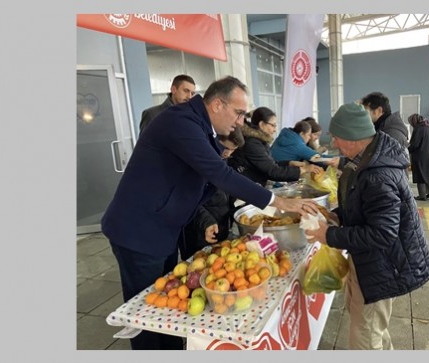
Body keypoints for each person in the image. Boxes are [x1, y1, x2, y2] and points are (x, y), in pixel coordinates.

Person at [101, 76, 317, 350]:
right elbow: (217, 173)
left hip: (164, 227)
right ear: (216, 104)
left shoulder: (202, 128)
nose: (241, 122)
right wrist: (277, 201)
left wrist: (203, 219)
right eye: (238, 113)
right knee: (147, 313)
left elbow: (202, 181)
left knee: (166, 304)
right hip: (139, 231)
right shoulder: (180, 122)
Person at [305, 102, 429, 350]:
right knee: (372, 327)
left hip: (383, 265)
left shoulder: (377, 174)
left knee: (365, 336)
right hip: (372, 262)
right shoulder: (365, 160)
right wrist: (335, 216)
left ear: (353, 139)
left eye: (336, 137)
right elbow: (362, 209)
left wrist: (329, 235)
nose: (334, 144)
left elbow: (382, 234)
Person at [178, 128, 245, 261]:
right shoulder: (196, 162)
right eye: (226, 148)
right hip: (198, 229)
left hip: (219, 225)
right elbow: (189, 200)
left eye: (233, 150)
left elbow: (226, 190)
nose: (228, 153)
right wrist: (207, 222)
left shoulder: (221, 158)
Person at [228, 106, 323, 188]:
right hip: (245, 188)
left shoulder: (260, 141)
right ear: (261, 124)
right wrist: (304, 169)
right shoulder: (252, 143)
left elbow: (269, 163)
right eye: (273, 125)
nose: (275, 129)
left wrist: (290, 163)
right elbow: (272, 171)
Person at [270, 120, 339, 167]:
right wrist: (338, 159)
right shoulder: (297, 144)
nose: (309, 138)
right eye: (308, 135)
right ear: (302, 133)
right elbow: (317, 158)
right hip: (279, 178)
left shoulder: (284, 136)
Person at [407, 114, 429, 201]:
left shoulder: (418, 129)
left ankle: (422, 195)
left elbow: (415, 144)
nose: (411, 124)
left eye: (411, 122)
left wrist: (407, 149)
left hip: (420, 156)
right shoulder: (427, 126)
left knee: (420, 175)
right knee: (427, 174)